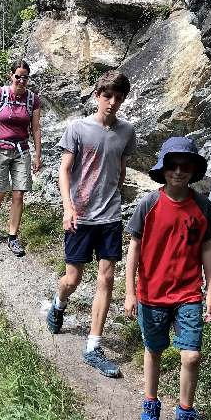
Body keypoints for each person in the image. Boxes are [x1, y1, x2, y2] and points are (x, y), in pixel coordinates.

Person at [123, 135, 211, 420]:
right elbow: (133, 248)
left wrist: (210, 291)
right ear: (163, 169)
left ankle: (185, 417)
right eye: (172, 165)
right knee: (154, 351)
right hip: (151, 292)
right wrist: (129, 292)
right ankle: (150, 408)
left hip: (188, 291)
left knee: (191, 355)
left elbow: (207, 247)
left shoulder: (202, 206)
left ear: (193, 170)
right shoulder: (149, 204)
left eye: (185, 166)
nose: (178, 171)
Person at [45, 71, 136, 377]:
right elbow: (64, 170)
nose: (112, 103)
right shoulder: (78, 128)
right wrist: (68, 208)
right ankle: (58, 303)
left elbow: (121, 169)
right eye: (107, 96)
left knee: (106, 279)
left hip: (110, 216)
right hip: (80, 215)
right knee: (73, 278)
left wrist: (113, 193)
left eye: (118, 98)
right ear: (97, 95)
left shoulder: (127, 132)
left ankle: (93, 346)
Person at [0, 59, 42, 256]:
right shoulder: (0, 94)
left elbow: (36, 128)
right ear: (11, 75)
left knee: (18, 195)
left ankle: (12, 237)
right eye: (18, 76)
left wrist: (38, 155)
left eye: (25, 77)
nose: (21, 80)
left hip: (21, 151)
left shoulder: (33, 100)